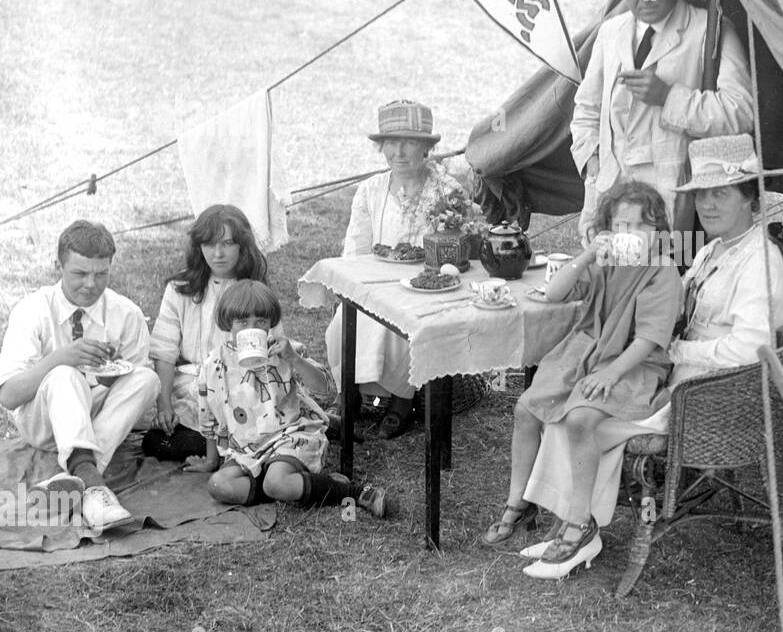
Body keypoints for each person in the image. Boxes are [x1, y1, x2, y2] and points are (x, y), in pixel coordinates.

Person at [499, 136, 783, 580]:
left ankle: (578, 526)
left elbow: (751, 348)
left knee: (578, 415)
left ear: (750, 197)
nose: (709, 206)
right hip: (675, 374)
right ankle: (576, 523)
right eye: (702, 195)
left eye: (722, 193)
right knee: (563, 404)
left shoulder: (758, 261)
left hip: (711, 394)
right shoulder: (716, 250)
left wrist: (673, 349)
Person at [482, 181, 683, 579]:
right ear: (607, 229)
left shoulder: (662, 271)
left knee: (579, 419)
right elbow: (555, 292)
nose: (631, 235)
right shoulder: (605, 260)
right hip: (587, 350)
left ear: (659, 231)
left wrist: (610, 373)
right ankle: (518, 503)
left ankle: (579, 521)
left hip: (633, 364)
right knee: (526, 409)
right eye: (621, 225)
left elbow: (648, 339)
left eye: (642, 226)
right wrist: (590, 252)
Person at [571, 0, 754, 243]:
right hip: (608, 194)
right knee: (605, 278)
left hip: (670, 202)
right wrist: (592, 164)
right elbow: (586, 109)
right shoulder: (610, 32)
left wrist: (667, 97)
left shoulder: (710, 30)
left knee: (664, 281)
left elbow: (741, 112)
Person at [0, 220, 160, 531]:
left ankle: (74, 480)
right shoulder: (32, 310)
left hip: (97, 414)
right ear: (57, 266)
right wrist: (62, 358)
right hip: (42, 423)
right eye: (80, 273)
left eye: (101, 274)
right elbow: (8, 396)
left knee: (146, 377)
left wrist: (112, 381)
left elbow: (137, 406)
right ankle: (93, 484)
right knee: (64, 374)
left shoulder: (126, 314)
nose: (91, 284)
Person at [191, 279, 394, 518]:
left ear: (270, 324)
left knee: (276, 482)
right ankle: (310, 484)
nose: (250, 328)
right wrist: (211, 461)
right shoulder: (213, 365)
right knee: (219, 485)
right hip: (247, 449)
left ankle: (355, 492)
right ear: (228, 323)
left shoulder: (284, 351)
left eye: (260, 322)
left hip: (289, 435)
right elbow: (209, 419)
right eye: (242, 322)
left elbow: (325, 388)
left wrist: (294, 359)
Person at [324, 99, 467, 439]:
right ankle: (349, 396)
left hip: (427, 286)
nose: (399, 151)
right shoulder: (371, 190)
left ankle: (401, 400)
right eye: (391, 142)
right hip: (377, 282)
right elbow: (355, 251)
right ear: (381, 147)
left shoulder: (448, 190)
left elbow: (457, 249)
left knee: (400, 322)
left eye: (410, 142)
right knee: (349, 320)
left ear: (427, 147)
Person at [144, 204, 280, 461]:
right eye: (209, 244)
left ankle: (231, 443)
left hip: (241, 384)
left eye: (227, 244)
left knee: (250, 421)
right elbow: (164, 353)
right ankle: (227, 444)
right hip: (191, 387)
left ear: (242, 245)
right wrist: (164, 405)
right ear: (198, 247)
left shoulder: (252, 290)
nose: (218, 254)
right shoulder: (180, 288)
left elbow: (269, 349)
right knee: (154, 441)